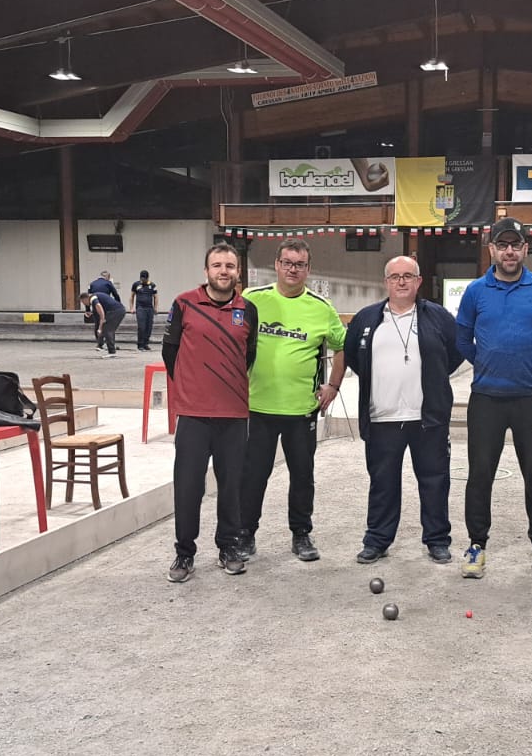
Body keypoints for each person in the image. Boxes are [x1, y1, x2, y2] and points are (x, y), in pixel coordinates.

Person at [455, 217, 532, 580]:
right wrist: (487, 361)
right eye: (502, 245)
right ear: (491, 249)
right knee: (480, 474)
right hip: (486, 398)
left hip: (530, 397)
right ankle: (476, 545)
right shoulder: (476, 292)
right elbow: (462, 339)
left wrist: (530, 362)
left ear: (525, 249)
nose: (509, 251)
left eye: (516, 245)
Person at [346, 255, 464, 565]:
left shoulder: (439, 317)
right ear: (385, 282)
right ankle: (377, 540)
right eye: (395, 276)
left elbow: (455, 354)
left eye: (408, 276)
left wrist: (433, 379)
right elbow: (354, 356)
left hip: (428, 418)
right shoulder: (367, 318)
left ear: (418, 281)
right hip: (382, 417)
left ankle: (437, 540)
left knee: (435, 481)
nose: (401, 281)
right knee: (382, 483)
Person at [238, 239, 346, 563]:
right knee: (253, 476)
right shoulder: (252, 299)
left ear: (308, 269)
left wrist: (333, 385)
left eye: (299, 264)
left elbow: (342, 346)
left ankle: (301, 534)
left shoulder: (321, 307)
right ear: (277, 265)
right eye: (287, 262)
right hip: (257, 407)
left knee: (302, 475)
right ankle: (245, 534)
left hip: (301, 410)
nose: (293, 269)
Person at [161, 242, 257, 583]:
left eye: (229, 266)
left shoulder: (248, 309)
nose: (223, 271)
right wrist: (194, 388)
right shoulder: (184, 304)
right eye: (217, 265)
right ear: (206, 271)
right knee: (188, 487)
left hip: (233, 415)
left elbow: (249, 355)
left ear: (238, 272)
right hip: (193, 415)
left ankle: (228, 547)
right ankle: (184, 552)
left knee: (231, 487)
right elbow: (170, 352)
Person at [81, 287, 125, 357]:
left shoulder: (93, 299)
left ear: (85, 299)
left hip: (116, 311)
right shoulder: (95, 296)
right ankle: (107, 347)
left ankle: (112, 352)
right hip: (117, 310)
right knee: (107, 329)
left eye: (83, 302)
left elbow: (101, 313)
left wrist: (100, 328)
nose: (85, 304)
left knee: (107, 330)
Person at [129, 269, 159, 351]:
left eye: (144, 279)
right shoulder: (136, 284)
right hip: (140, 308)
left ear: (147, 278)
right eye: (141, 278)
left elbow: (156, 297)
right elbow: (132, 296)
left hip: (149, 308)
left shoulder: (152, 285)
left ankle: (146, 343)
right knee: (141, 326)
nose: (143, 280)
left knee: (149, 327)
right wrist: (131, 308)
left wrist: (155, 308)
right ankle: (140, 344)